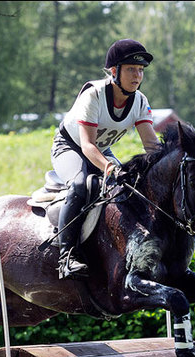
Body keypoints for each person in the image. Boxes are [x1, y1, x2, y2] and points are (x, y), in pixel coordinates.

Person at [52, 38, 161, 279]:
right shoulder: (94, 95)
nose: (137, 76)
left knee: (128, 189)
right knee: (80, 185)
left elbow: (151, 145)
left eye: (141, 70)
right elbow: (87, 145)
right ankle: (66, 256)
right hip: (71, 147)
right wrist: (111, 168)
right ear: (114, 71)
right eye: (131, 69)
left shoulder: (140, 101)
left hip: (102, 149)